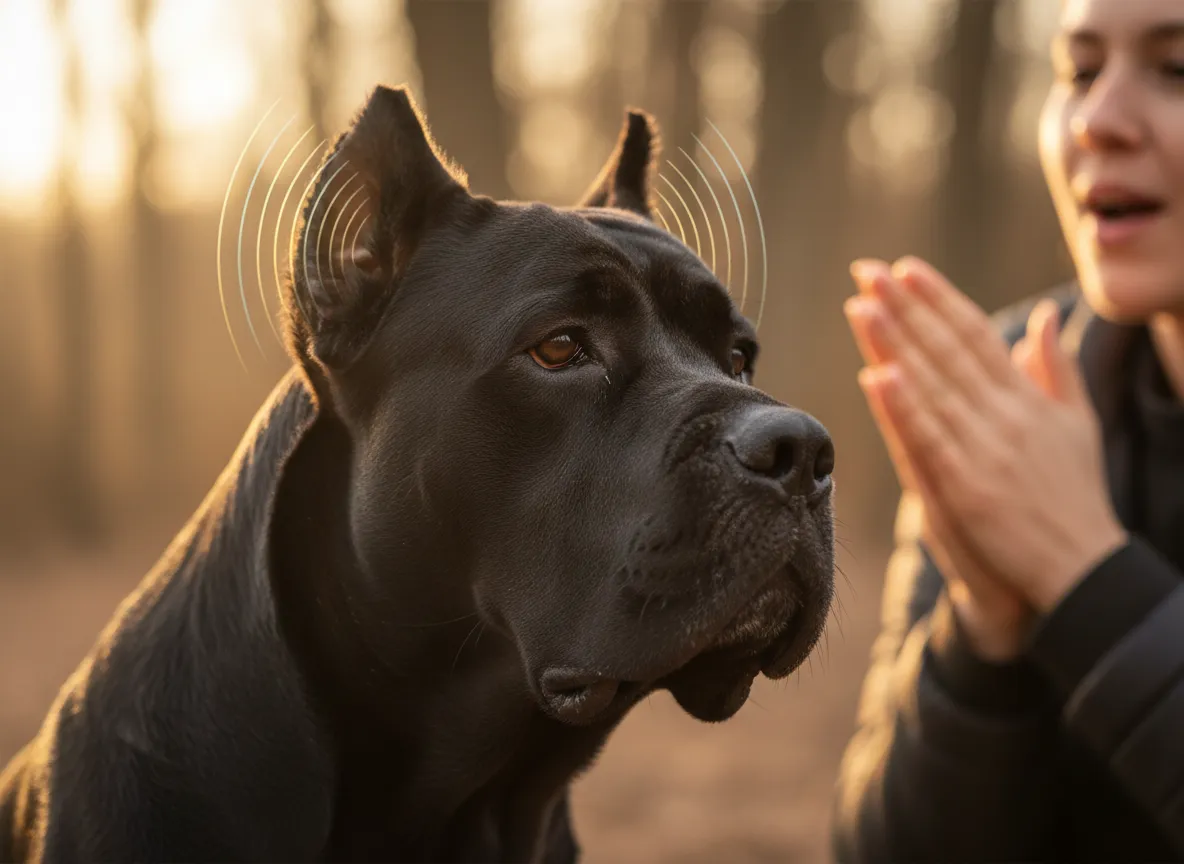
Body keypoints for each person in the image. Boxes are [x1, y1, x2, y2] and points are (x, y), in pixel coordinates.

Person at [831, 0, 1184, 860]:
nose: (1100, 121)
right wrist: (981, 633)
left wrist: (1084, 579)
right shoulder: (1010, 398)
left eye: (1177, 70)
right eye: (1080, 71)